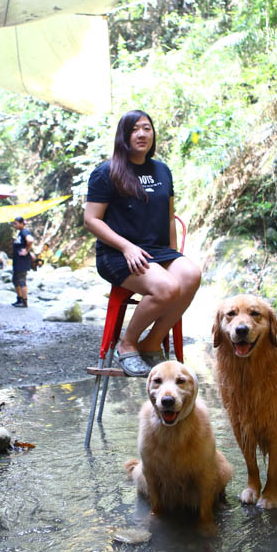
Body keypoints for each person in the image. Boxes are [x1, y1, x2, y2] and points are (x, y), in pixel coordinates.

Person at [83, 110, 201, 377]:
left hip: (159, 252)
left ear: (153, 134)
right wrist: (126, 246)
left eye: (147, 128)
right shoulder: (106, 172)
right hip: (118, 255)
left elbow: (169, 217)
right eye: (134, 129)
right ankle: (127, 344)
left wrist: (175, 255)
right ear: (123, 135)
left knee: (191, 275)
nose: (141, 134)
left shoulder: (162, 170)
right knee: (167, 287)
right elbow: (91, 220)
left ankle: (151, 343)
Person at [10, 216, 35, 308]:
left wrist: (26, 251)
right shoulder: (20, 233)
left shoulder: (25, 232)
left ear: (21, 223)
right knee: (15, 280)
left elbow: (30, 240)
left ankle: (24, 301)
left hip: (22, 262)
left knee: (21, 280)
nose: (14, 225)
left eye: (16, 223)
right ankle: (19, 299)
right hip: (18, 261)